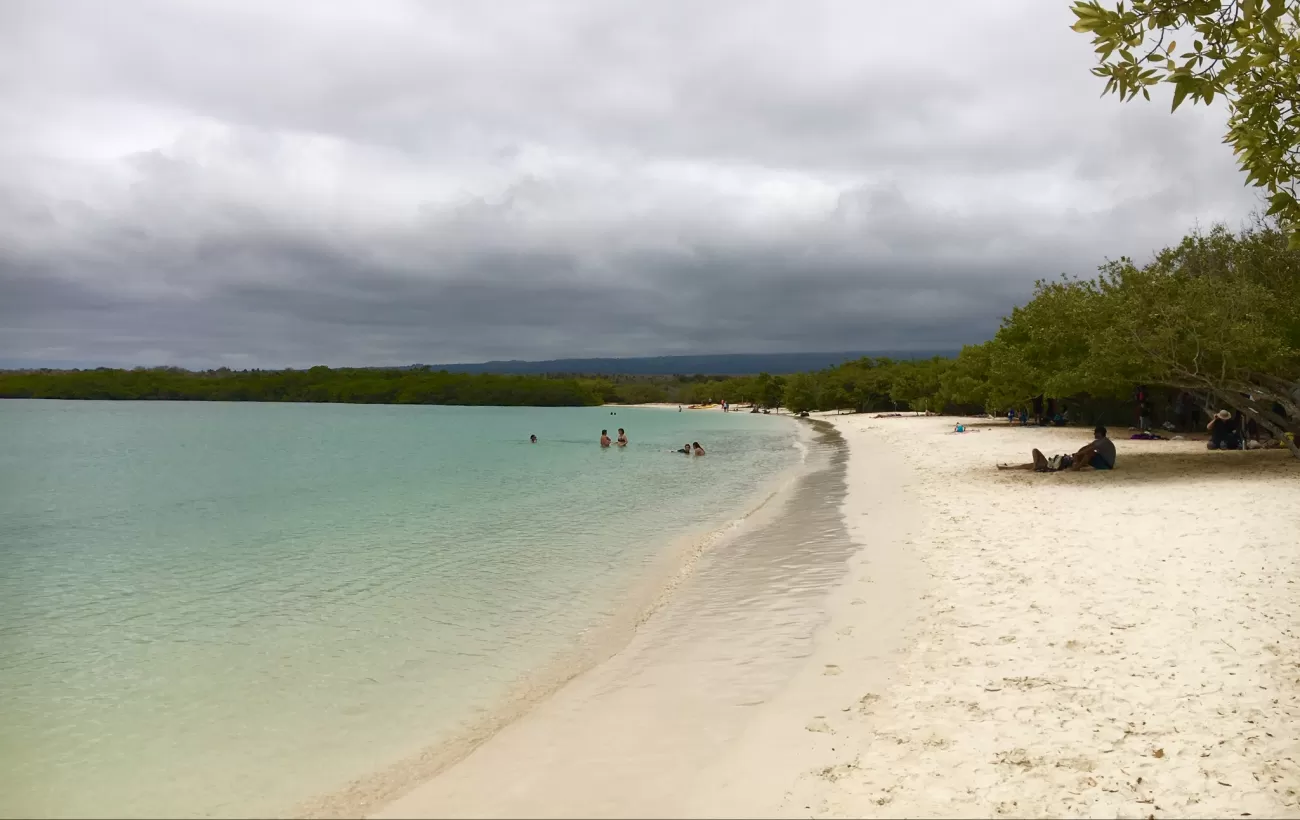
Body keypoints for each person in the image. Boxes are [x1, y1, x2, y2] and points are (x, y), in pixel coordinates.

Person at [997, 425, 1116, 472]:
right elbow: (1087, 447)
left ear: (1099, 433)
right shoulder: (1099, 441)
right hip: (1065, 462)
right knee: (1030, 464)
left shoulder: (1103, 442)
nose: (1094, 434)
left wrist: (1077, 457)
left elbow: (1088, 450)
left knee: (1090, 453)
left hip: (1106, 465)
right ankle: (1007, 468)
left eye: (1095, 433)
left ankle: (1076, 469)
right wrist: (1077, 454)